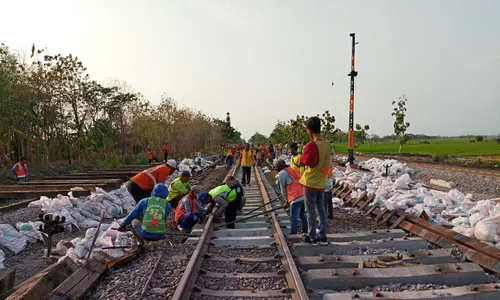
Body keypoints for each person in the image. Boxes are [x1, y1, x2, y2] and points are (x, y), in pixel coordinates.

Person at [299, 116, 330, 245]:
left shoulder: (311, 145)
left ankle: (312, 237)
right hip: (321, 182)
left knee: (310, 210)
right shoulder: (327, 144)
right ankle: (323, 235)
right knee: (321, 208)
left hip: (310, 182)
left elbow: (302, 162)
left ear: (310, 130)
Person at [118, 184, 171, 251]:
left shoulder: (144, 201)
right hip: (161, 235)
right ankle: (154, 236)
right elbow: (163, 218)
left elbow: (132, 215)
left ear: (153, 191)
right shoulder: (168, 205)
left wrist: (123, 225)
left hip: (145, 235)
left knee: (133, 221)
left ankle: (140, 244)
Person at [275, 160, 308, 235]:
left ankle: (293, 234)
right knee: (303, 214)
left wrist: (286, 201)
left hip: (295, 196)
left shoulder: (282, 174)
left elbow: (283, 189)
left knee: (294, 217)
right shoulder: (292, 170)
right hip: (304, 194)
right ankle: (305, 231)